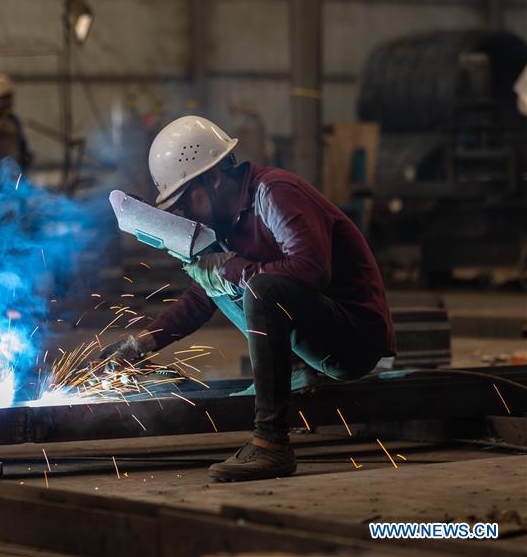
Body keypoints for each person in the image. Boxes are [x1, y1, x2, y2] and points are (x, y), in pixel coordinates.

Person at [102, 115, 395, 482]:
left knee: (259, 287)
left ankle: (271, 445)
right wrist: (141, 343)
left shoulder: (274, 192)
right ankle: (296, 371)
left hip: (353, 341)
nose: (185, 213)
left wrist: (235, 271)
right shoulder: (225, 224)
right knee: (230, 282)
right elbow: (204, 297)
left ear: (213, 178)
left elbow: (311, 270)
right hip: (315, 343)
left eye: (186, 199)